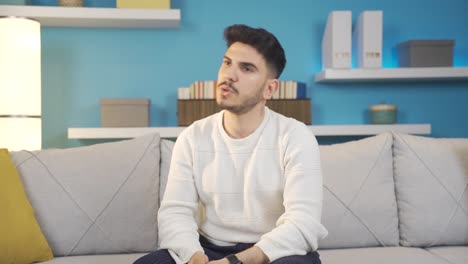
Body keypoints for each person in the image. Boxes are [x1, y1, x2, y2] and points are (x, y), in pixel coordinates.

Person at [134, 24, 327, 264]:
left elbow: (303, 223)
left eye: (246, 68)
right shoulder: (193, 136)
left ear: (270, 88)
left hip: (273, 251)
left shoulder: (295, 136)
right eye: (227, 63)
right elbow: (175, 213)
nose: (229, 75)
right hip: (209, 249)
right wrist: (195, 258)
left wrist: (235, 262)